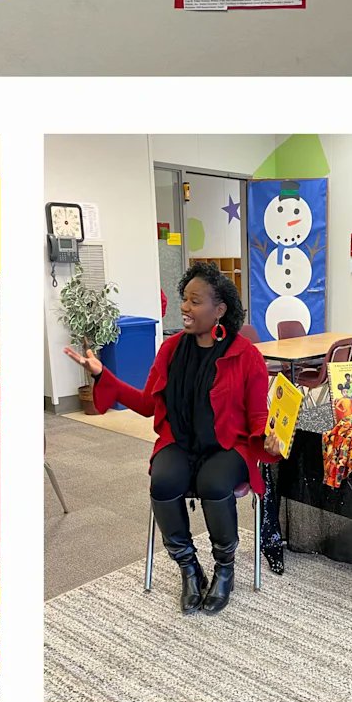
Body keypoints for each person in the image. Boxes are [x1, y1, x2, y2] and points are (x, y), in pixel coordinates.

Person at [65, 262, 281, 616]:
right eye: (184, 299)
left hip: (228, 445)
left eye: (195, 301)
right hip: (179, 442)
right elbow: (148, 404)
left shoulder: (247, 357)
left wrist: (267, 437)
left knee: (213, 483)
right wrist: (105, 376)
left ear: (219, 310)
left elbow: (258, 417)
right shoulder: (171, 350)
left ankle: (224, 569)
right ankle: (189, 569)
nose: (184, 307)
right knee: (163, 480)